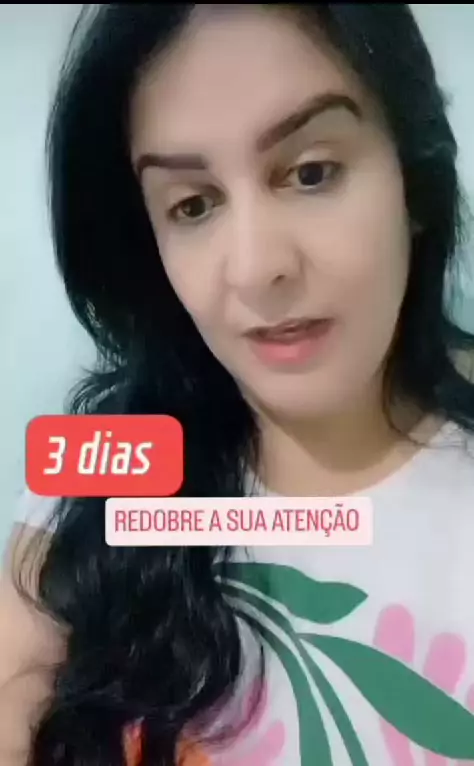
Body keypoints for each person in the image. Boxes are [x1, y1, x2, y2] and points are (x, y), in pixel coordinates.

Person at [2, 3, 474, 765]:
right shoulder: (102, 471)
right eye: (192, 205)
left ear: (412, 180)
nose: (256, 268)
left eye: (312, 173)